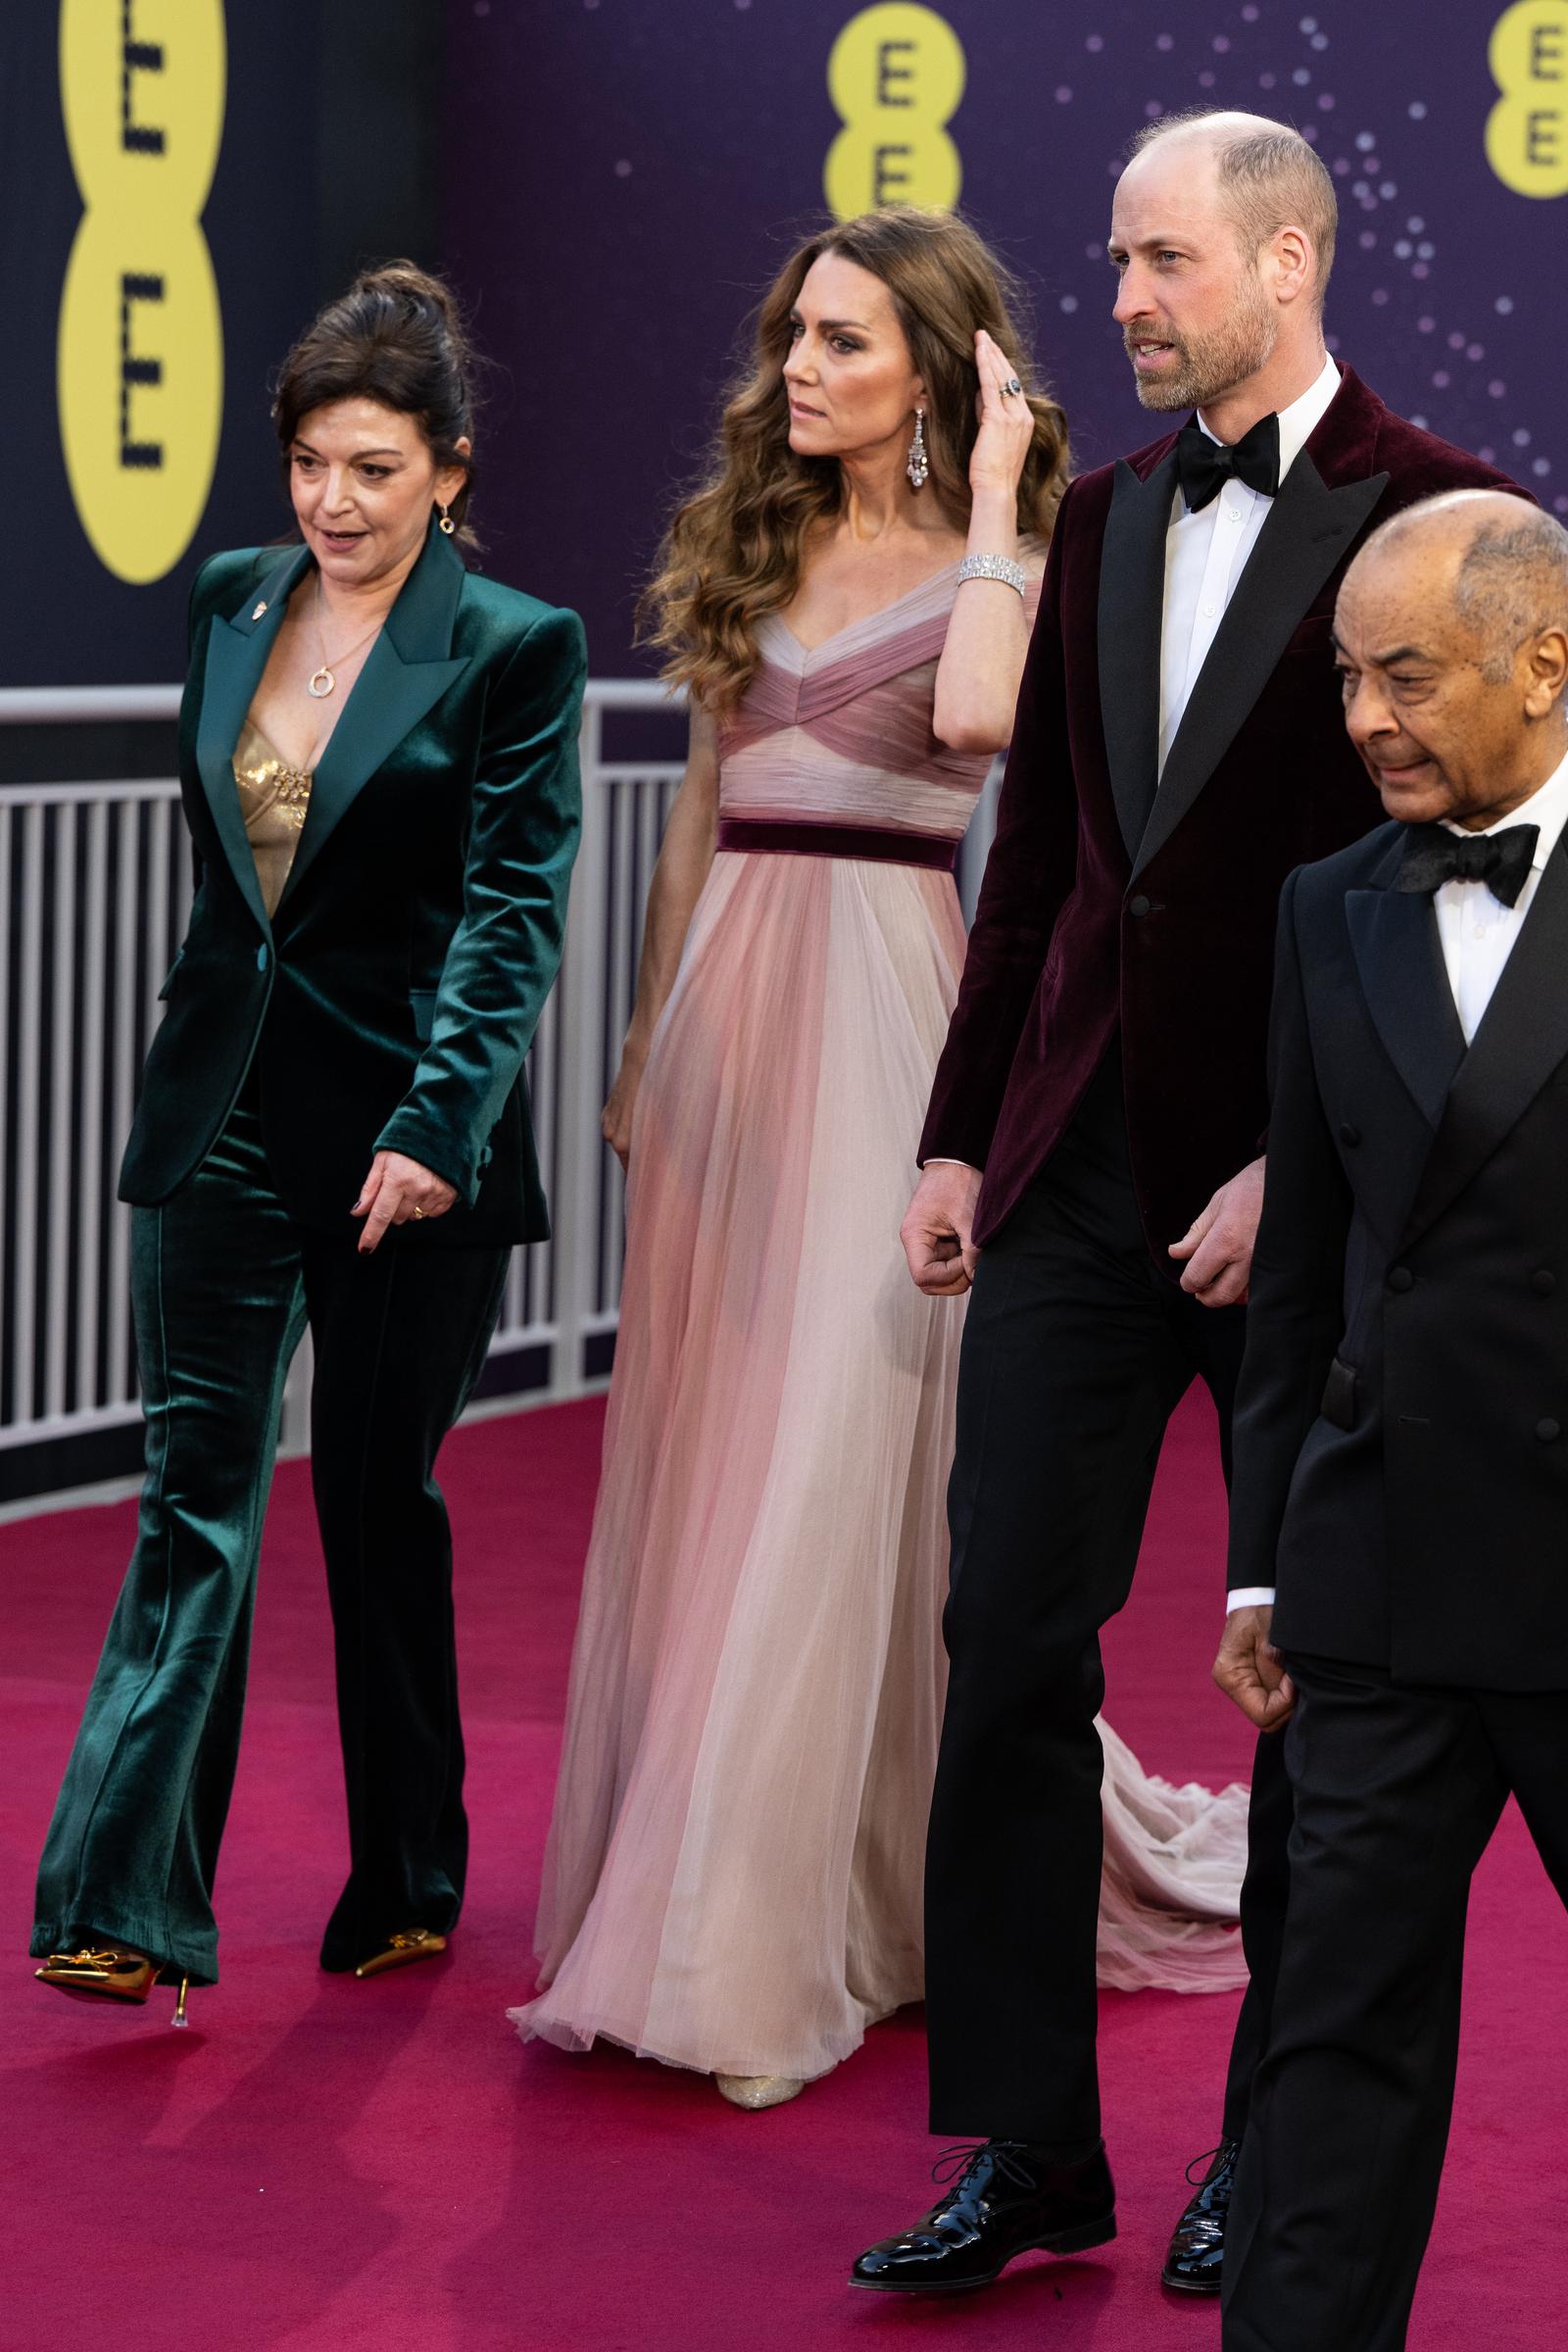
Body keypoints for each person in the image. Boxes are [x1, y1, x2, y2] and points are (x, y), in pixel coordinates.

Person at [852, 111, 1520, 2298]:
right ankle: (1032, 2142)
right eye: (1118, 263)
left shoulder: (1441, 527)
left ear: (1284, 259)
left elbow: (1445, 909)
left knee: (1317, 1697)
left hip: (1321, 1216)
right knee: (1003, 1648)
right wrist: (961, 1130)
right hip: (1071, 1179)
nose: (1117, 300)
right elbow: (1039, 858)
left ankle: (1269, 2149)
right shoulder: (1108, 516)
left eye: (1155, 263)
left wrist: (1288, 1161)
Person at [513, 208, 1249, 2115]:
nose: (793, 374)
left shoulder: (1019, 550)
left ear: (932, 369)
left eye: (838, 342)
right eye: (788, 342)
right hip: (724, 1034)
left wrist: (1004, 489)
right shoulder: (742, 542)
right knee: (714, 1462)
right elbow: (693, 805)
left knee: (843, 1463)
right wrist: (637, 1045)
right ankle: (719, 1878)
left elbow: (989, 724)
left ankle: (751, 1939)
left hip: (889, 1022)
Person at [30, 264, 586, 2018]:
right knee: (191, 1498)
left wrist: (440, 1124)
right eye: (309, 464)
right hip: (220, 1119)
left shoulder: (513, 648)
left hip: (403, 1143)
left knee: (371, 1502)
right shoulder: (230, 600)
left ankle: (412, 1864)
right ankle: (122, 1899)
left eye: (372, 468)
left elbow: (514, 910)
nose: (333, 503)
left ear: (451, 470)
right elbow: (238, 887)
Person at [1216, 494, 1568, 2348]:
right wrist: (1259, 1570)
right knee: (1330, 2056)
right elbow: (1303, 1282)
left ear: (1544, 662)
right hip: (1377, 1582)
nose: (1366, 719)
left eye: (1406, 676)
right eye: (1348, 679)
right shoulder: (1326, 905)